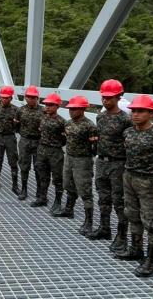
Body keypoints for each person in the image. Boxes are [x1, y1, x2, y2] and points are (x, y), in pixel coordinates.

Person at [114, 95, 153, 279]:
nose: (136, 114)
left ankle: (151, 261)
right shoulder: (128, 132)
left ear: (151, 114)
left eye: (141, 111)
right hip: (129, 177)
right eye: (134, 111)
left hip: (149, 181)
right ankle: (135, 249)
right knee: (132, 214)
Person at [89, 80, 134, 254]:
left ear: (118, 97)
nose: (105, 101)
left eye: (109, 97)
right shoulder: (100, 117)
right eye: (104, 97)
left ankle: (122, 236)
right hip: (102, 161)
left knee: (119, 200)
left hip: (118, 163)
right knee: (103, 197)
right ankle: (104, 228)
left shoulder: (126, 119)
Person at [54, 95, 98, 238]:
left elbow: (95, 145)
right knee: (68, 183)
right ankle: (69, 209)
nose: (71, 111)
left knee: (85, 189)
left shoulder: (90, 126)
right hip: (69, 157)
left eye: (75, 109)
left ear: (83, 109)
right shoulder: (67, 123)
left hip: (83, 160)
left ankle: (89, 221)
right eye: (70, 109)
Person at [32, 93, 67, 211]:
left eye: (51, 105)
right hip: (42, 150)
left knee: (57, 177)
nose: (47, 107)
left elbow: (64, 140)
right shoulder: (41, 118)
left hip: (55, 151)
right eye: (46, 104)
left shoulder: (62, 122)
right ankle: (42, 198)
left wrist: (56, 145)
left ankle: (58, 201)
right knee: (42, 175)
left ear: (57, 106)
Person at [15, 86, 43, 200]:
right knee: (24, 165)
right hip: (25, 140)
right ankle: (24, 189)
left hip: (38, 141)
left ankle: (39, 190)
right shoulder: (20, 110)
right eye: (29, 97)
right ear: (25, 98)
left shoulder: (43, 111)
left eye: (34, 97)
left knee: (39, 167)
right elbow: (16, 126)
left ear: (37, 98)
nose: (31, 99)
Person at [0, 86, 19, 192]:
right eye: (2, 97)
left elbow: (19, 124)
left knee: (13, 161)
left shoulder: (16, 110)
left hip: (10, 137)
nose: (4, 99)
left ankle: (15, 185)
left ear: (11, 98)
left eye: (7, 98)